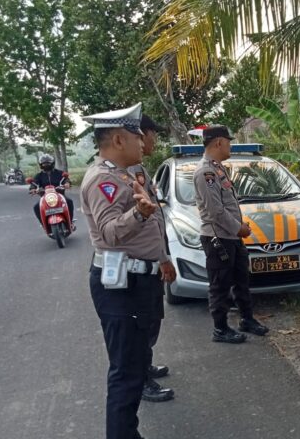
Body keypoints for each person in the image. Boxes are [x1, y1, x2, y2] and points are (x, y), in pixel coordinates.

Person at [80, 103, 175, 439]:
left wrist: (162, 257)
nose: (142, 141)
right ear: (119, 139)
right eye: (137, 135)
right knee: (126, 372)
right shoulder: (102, 180)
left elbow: (152, 228)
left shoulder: (126, 174)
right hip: (122, 283)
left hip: (138, 278)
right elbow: (108, 233)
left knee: (134, 364)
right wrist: (140, 214)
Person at [193, 124, 269, 344]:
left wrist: (238, 228)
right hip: (219, 238)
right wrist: (238, 228)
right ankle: (220, 329)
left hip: (232, 237)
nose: (230, 146)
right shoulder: (205, 172)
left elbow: (228, 204)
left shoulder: (218, 168)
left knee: (241, 280)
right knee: (220, 284)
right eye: (228, 141)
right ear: (218, 142)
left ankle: (247, 319)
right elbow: (216, 211)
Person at [126, 114, 176, 403]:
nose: (155, 140)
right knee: (142, 323)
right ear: (140, 135)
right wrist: (162, 258)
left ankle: (144, 366)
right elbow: (141, 224)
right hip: (140, 264)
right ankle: (141, 379)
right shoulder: (129, 172)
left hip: (152, 259)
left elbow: (155, 217)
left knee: (151, 320)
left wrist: (163, 256)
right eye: (152, 134)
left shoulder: (140, 169)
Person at [30, 154, 75, 224]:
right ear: (41, 165)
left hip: (60, 195)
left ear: (52, 163)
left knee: (69, 202)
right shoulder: (39, 176)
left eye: (48, 163)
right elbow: (34, 184)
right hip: (45, 196)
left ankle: (70, 221)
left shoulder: (59, 173)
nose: (46, 165)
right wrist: (33, 189)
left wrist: (67, 183)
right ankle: (43, 223)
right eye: (44, 164)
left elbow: (66, 179)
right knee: (36, 207)